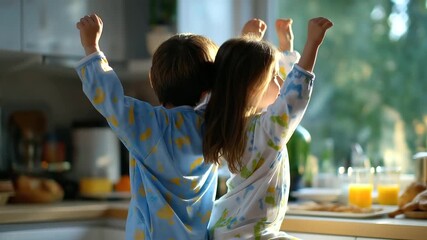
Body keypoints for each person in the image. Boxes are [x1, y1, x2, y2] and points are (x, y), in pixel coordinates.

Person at [75, 14, 219, 240]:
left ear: (153, 80)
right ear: (208, 89)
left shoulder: (152, 126)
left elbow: (110, 100)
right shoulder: (214, 125)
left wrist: (91, 46)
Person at [203, 17, 333, 239]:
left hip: (225, 230)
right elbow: (292, 97)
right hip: (252, 235)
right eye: (273, 77)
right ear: (251, 87)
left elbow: (238, 75)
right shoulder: (266, 130)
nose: (280, 82)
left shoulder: (228, 124)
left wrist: (280, 48)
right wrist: (312, 44)